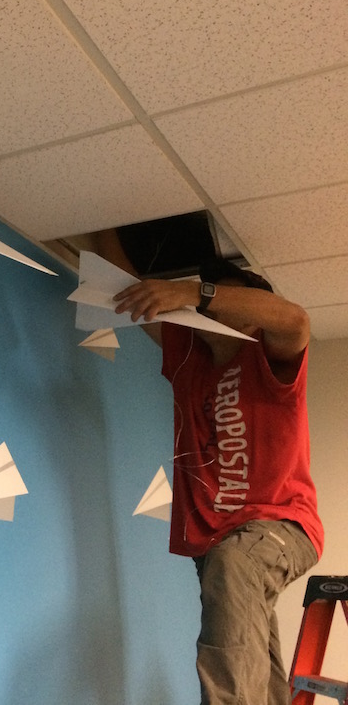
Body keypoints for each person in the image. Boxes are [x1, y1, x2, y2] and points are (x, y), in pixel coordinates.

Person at [96, 230, 323, 705]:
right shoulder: (189, 356)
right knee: (254, 649)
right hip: (219, 538)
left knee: (235, 566)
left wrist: (194, 291)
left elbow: (295, 320)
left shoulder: (272, 359)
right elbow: (126, 290)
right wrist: (104, 228)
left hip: (282, 524)